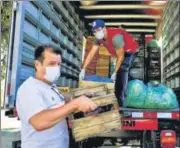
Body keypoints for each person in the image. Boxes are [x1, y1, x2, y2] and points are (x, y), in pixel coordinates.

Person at [16, 45, 97, 148]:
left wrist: (75, 102)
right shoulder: (29, 88)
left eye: (58, 64)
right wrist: (74, 104)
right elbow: (39, 122)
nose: (56, 68)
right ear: (37, 64)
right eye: (51, 64)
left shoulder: (51, 87)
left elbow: (58, 110)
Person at [79, 20, 139, 107]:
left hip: (130, 50)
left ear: (104, 28)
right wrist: (83, 69)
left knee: (122, 69)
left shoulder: (115, 37)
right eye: (94, 31)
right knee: (121, 74)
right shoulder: (98, 39)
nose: (96, 32)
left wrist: (114, 72)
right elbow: (91, 53)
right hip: (120, 50)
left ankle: (121, 101)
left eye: (98, 29)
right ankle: (122, 89)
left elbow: (121, 56)